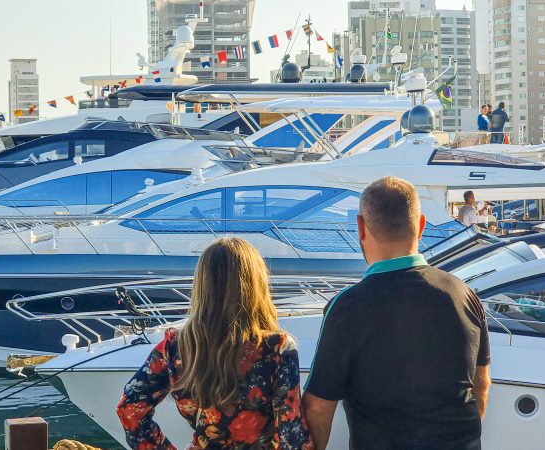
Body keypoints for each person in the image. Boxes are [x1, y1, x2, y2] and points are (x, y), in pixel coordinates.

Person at [303, 177, 491, 450]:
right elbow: (481, 385)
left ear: (361, 227)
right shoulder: (465, 296)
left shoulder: (346, 308)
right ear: (421, 226)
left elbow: (318, 408)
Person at [117, 237, 312, 449]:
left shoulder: (176, 346)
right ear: (255, 284)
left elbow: (130, 408)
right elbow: (290, 430)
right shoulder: (278, 348)